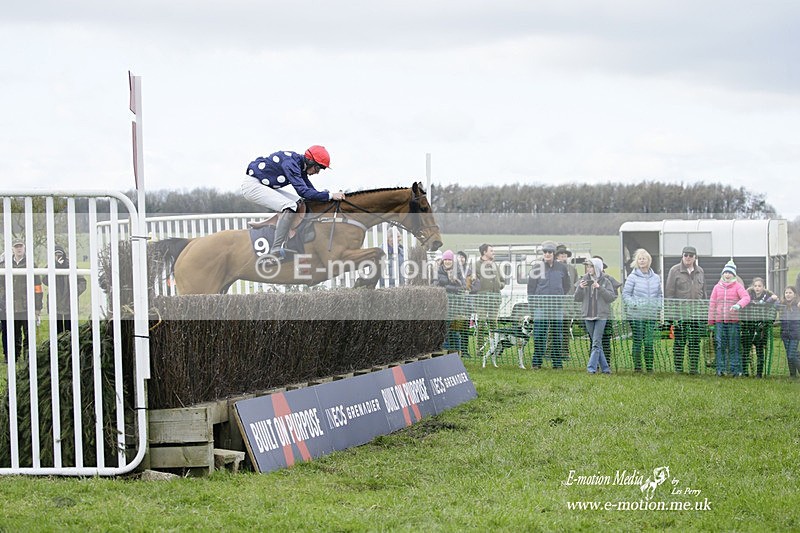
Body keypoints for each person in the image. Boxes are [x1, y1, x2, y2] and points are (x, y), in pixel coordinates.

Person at [241, 145, 344, 262]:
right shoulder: (291, 163)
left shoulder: (300, 165)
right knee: (290, 206)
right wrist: (330, 195)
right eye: (317, 168)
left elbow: (311, 191)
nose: (317, 172)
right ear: (310, 161)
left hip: (263, 184)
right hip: (252, 186)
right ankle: (275, 249)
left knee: (299, 203)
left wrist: (328, 196)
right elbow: (304, 192)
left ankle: (290, 240)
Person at [528, 240, 571, 369]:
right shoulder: (536, 268)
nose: (547, 254)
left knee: (557, 334)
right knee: (539, 334)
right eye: (545, 252)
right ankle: (537, 362)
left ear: (554, 254)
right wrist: (533, 306)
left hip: (556, 307)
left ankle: (557, 363)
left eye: (550, 252)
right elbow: (531, 289)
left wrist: (559, 296)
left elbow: (567, 286)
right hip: (540, 307)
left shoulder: (562, 268)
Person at [664, 245, 707, 374]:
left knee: (695, 342)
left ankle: (693, 368)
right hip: (680, 313)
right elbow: (669, 293)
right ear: (682, 256)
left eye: (691, 256)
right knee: (680, 342)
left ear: (695, 257)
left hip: (696, 313)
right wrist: (671, 315)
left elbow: (703, 293)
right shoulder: (674, 271)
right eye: (685, 255)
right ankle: (678, 369)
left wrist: (704, 311)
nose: (688, 258)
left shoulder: (700, 271)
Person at [0, 239, 43, 358]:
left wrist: (38, 306)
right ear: (12, 249)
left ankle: (28, 356)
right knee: (11, 332)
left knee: (28, 333)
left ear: (24, 248)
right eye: (16, 246)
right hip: (9, 305)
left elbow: (38, 287)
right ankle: (12, 356)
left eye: (21, 246)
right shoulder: (4, 265)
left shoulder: (31, 264)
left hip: (26, 305)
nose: (19, 249)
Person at [622, 248, 663, 372]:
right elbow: (626, 294)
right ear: (636, 261)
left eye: (644, 258)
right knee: (638, 341)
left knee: (649, 342)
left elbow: (660, 295)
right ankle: (638, 367)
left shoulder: (656, 277)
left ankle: (649, 367)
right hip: (636, 316)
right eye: (639, 259)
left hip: (651, 315)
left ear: (649, 260)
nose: (642, 261)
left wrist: (658, 306)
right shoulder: (632, 277)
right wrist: (634, 305)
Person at [707, 260, 750, 377]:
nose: (727, 275)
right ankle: (720, 369)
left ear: (734, 275)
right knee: (720, 345)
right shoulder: (716, 287)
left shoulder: (738, 286)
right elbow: (712, 304)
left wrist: (738, 305)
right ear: (722, 274)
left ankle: (735, 370)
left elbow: (746, 297)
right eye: (725, 272)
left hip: (733, 322)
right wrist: (711, 321)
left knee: (733, 345)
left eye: (729, 273)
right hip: (719, 322)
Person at [574, 258, 617, 374]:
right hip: (587, 315)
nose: (588, 269)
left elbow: (611, 297)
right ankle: (606, 369)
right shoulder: (583, 280)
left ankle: (591, 368)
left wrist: (599, 288)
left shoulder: (606, 281)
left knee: (596, 342)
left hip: (601, 316)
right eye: (587, 267)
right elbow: (576, 298)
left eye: (591, 266)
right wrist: (580, 288)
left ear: (597, 267)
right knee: (596, 343)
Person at [42, 244, 88, 335]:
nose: (58, 256)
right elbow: (45, 280)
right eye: (55, 254)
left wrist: (74, 292)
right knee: (56, 331)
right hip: (55, 302)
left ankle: (69, 348)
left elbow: (82, 282)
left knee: (70, 330)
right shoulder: (50, 266)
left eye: (59, 254)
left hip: (69, 302)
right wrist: (54, 266)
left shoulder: (71, 265)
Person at [740, 277, 778, 377]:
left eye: (759, 286)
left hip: (761, 327)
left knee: (760, 351)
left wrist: (771, 300)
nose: (757, 288)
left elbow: (775, 306)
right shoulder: (747, 295)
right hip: (748, 326)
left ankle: (759, 373)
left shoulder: (768, 296)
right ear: (753, 286)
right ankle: (744, 372)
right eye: (755, 286)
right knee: (746, 350)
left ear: (763, 287)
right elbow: (742, 306)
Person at [474, 244, 506, 360]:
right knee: (482, 323)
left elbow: (502, 280)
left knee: (493, 324)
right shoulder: (476, 266)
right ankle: (480, 349)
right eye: (491, 251)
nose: (493, 252)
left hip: (495, 299)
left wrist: (500, 285)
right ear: (484, 252)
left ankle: (494, 348)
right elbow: (473, 282)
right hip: (482, 299)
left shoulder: (495, 265)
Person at [435, 250, 468, 356]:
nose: (447, 261)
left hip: (456, 305)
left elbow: (463, 285)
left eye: (449, 259)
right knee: (444, 327)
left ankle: (455, 352)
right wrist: (453, 286)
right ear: (443, 260)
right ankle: (443, 351)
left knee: (454, 330)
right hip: (443, 305)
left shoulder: (458, 271)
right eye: (446, 259)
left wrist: (448, 287)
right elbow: (438, 284)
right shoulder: (439, 271)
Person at [594, 255, 622, 366]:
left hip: (606, 314)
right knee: (593, 340)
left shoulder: (609, 279)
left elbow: (614, 296)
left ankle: (606, 363)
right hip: (590, 314)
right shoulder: (585, 279)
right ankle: (594, 364)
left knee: (605, 339)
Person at [556, 244, 578, 363]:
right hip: (557, 304)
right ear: (557, 256)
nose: (563, 256)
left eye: (565, 254)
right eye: (561, 254)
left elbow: (576, 285)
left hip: (569, 304)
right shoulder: (553, 268)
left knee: (565, 330)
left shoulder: (572, 269)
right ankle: (552, 352)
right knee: (553, 330)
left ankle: (565, 352)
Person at [777, 286, 800, 378]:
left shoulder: (797, 305)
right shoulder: (782, 304)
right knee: (789, 355)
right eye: (786, 293)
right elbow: (773, 305)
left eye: (790, 293)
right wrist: (773, 298)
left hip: (795, 334)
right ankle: (792, 375)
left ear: (794, 294)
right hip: (785, 334)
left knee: (791, 355)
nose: (788, 294)